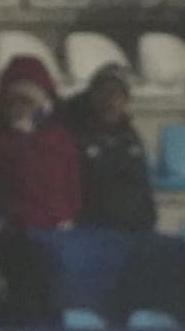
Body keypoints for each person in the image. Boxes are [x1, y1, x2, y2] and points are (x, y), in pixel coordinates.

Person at [0, 55, 81, 324]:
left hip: (56, 241)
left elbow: (71, 185)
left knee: (54, 307)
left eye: (27, 101)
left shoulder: (59, 140)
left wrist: (68, 217)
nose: (19, 107)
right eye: (13, 100)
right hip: (10, 243)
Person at [59, 63, 156, 233]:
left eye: (117, 93)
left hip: (133, 232)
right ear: (92, 95)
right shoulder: (75, 135)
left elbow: (143, 187)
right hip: (91, 231)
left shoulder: (131, 138)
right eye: (104, 91)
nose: (110, 100)